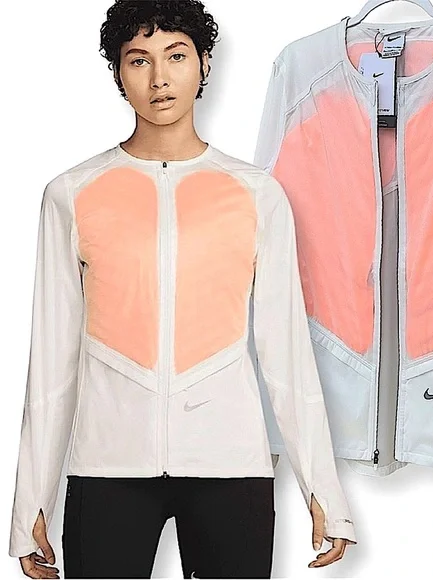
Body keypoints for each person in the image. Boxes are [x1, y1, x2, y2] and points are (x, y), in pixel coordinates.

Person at [8, 1, 357, 578]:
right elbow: (50, 365)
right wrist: (30, 504)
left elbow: (288, 354)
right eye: (138, 60)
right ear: (118, 74)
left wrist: (324, 491)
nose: (159, 78)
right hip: (107, 466)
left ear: (204, 63)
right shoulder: (71, 194)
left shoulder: (256, 194)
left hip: (231, 468)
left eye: (176, 56)